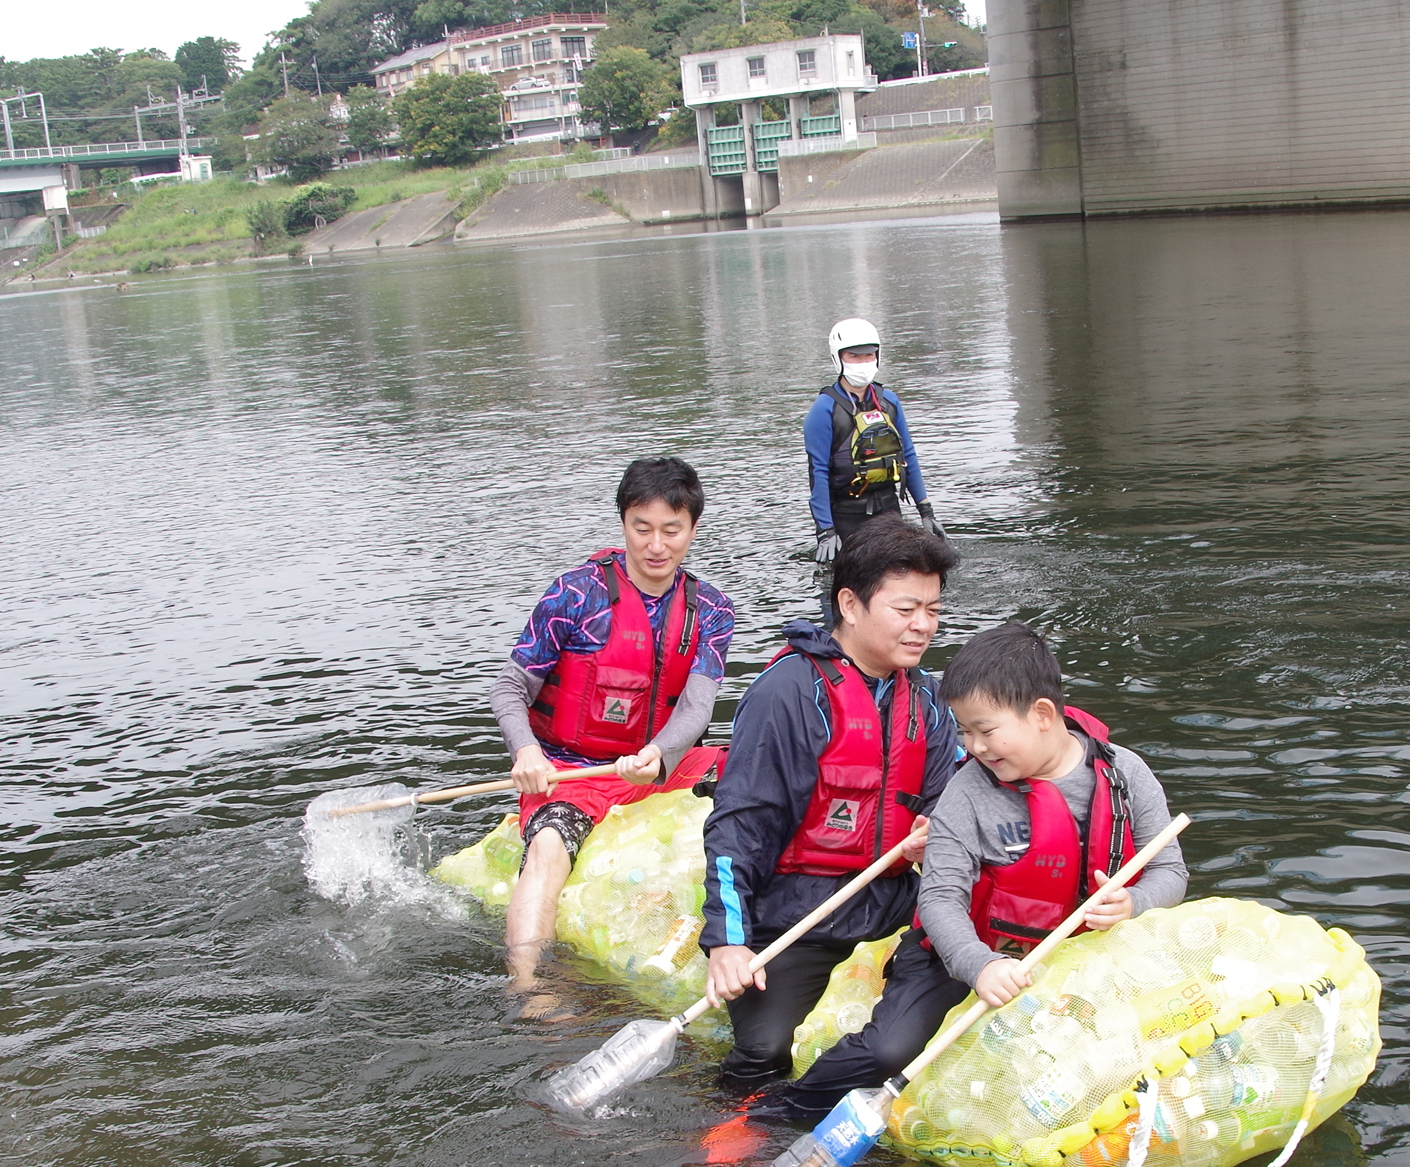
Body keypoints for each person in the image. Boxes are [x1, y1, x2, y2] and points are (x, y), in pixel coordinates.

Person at [767, 622, 1187, 1123]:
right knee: (888, 1051)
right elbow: (940, 899)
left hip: (1076, 958)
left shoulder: (1127, 776)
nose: (976, 746)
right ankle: (777, 1111)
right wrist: (980, 965)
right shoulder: (966, 791)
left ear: (1043, 715)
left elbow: (1169, 870)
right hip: (959, 955)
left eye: (985, 730)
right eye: (964, 731)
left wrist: (1134, 903)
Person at [700, 519, 962, 1104]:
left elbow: (954, 799)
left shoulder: (928, 699)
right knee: (763, 1051)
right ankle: (740, 1133)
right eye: (906, 608)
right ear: (849, 603)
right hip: (797, 911)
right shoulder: (789, 693)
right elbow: (738, 825)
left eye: (933, 609)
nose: (923, 625)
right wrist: (728, 941)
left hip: (893, 895)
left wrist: (934, 830)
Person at [494, 457, 736, 985]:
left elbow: (697, 707)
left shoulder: (712, 609)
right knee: (549, 849)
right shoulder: (574, 596)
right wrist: (526, 752)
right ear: (623, 524)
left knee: (761, 769)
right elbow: (510, 688)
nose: (657, 545)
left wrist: (658, 755)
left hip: (657, 766)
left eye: (672, 530)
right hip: (569, 772)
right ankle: (528, 986)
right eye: (641, 528)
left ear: (693, 528)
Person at [806, 317, 945, 572]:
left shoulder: (889, 402)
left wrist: (926, 511)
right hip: (847, 515)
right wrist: (825, 530)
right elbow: (818, 473)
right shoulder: (824, 410)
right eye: (855, 357)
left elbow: (908, 456)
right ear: (839, 359)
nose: (864, 363)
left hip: (888, 510)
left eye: (869, 356)